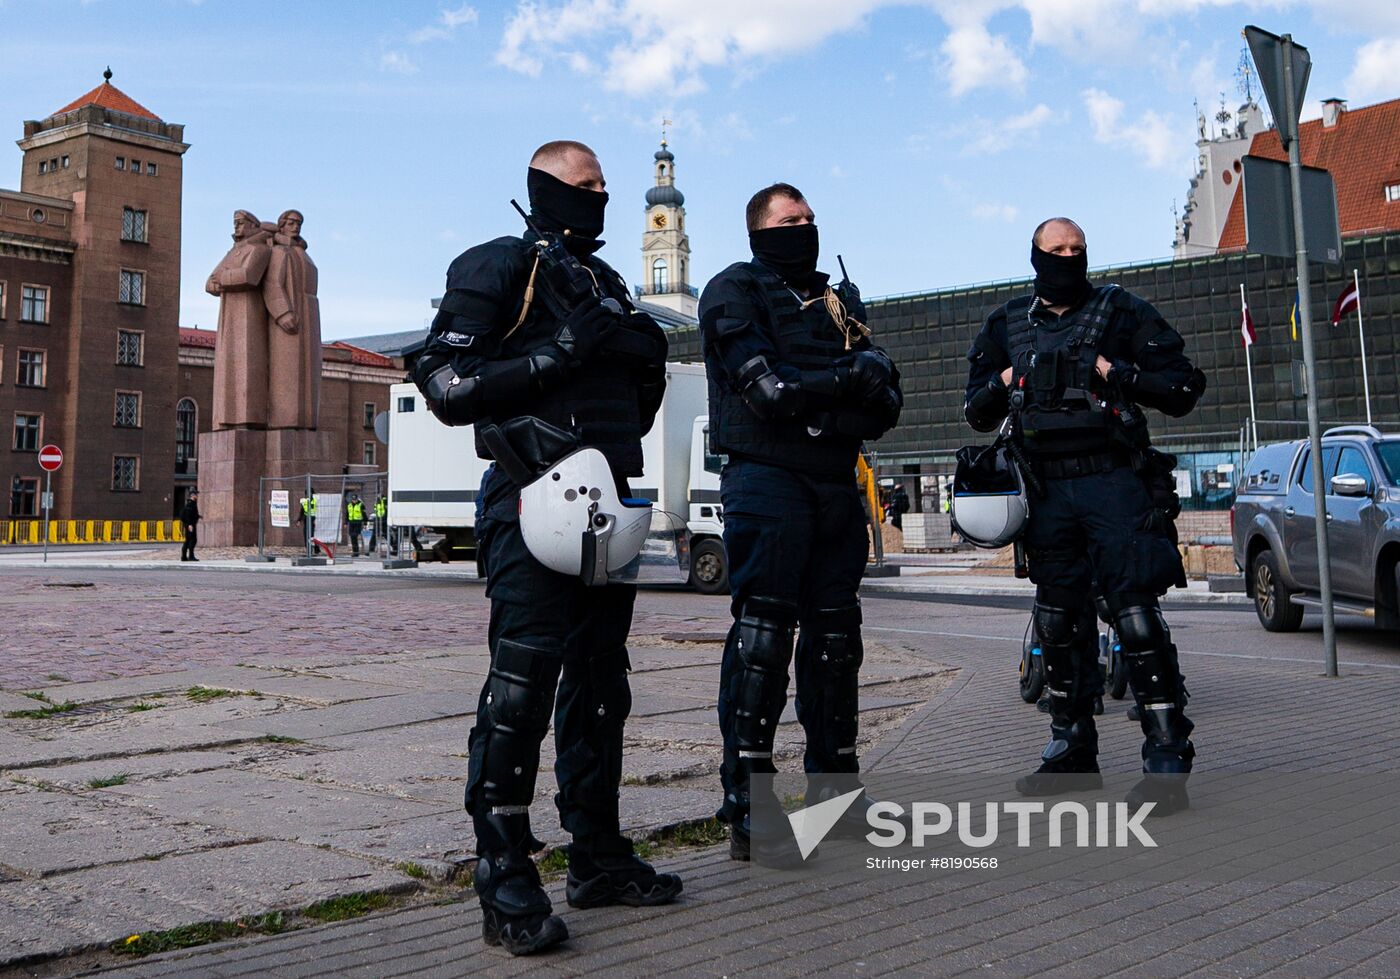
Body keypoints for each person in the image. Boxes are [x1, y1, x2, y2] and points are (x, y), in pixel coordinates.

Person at [411, 139, 680, 955]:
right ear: (543, 187)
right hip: (531, 495)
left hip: (608, 501)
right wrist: (560, 351)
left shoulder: (605, 283)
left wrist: (634, 354)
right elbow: (445, 384)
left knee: (603, 685)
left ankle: (597, 855)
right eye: (587, 184)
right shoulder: (498, 265)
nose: (601, 195)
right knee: (522, 686)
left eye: (607, 185)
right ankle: (504, 878)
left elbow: (635, 394)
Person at [963, 217, 1205, 814]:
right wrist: (1005, 378)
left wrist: (1117, 374)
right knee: (1057, 622)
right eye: (1057, 250)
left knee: (1135, 617)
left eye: (1078, 250)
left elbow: (1182, 388)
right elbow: (974, 410)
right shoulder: (1007, 323)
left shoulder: (1122, 312)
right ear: (1036, 256)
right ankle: (1071, 752)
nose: (1068, 259)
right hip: (1045, 493)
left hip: (1114, 485)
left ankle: (1167, 761)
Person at [699, 183, 903, 863]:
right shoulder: (734, 290)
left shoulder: (839, 298)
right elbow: (766, 392)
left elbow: (886, 406)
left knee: (837, 639)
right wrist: (849, 378)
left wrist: (820, 398)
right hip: (766, 480)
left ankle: (836, 793)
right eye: (791, 220)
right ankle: (749, 806)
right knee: (764, 637)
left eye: (811, 218)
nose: (805, 227)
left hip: (833, 483)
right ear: (760, 229)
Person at [180, 491, 200, 562]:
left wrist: (198, 516)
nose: (197, 496)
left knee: (188, 540)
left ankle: (184, 556)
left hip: (190, 524)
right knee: (192, 540)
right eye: (196, 495)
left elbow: (192, 514)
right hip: (190, 525)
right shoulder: (190, 504)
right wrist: (189, 525)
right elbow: (188, 515)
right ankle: (190, 556)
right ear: (192, 496)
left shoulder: (192, 504)